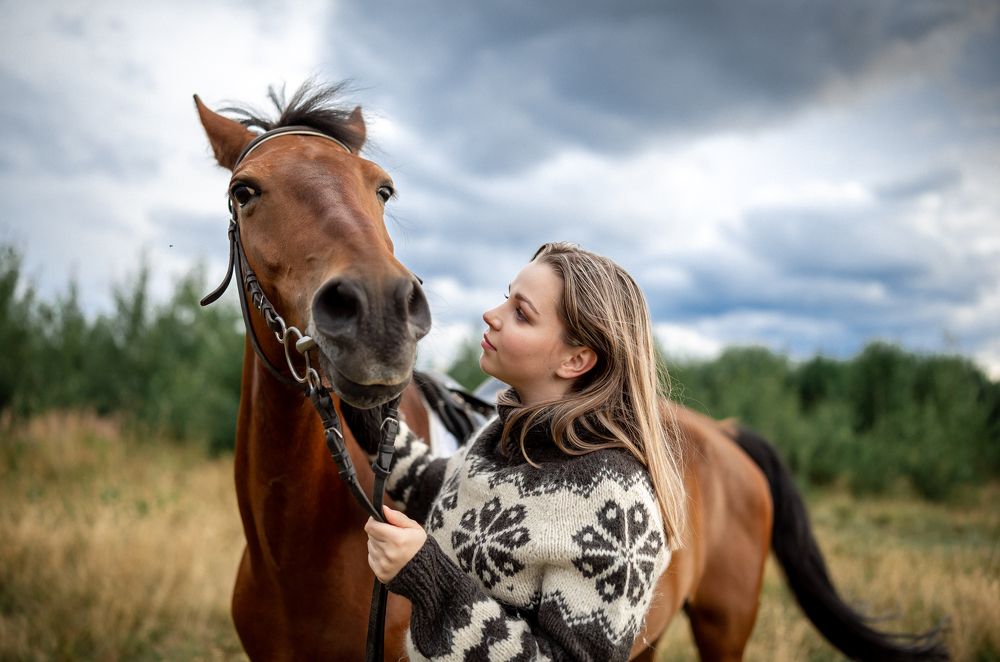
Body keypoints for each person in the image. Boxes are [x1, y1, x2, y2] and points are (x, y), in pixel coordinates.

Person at [365, 242, 687, 660]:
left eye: (521, 313)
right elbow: (431, 485)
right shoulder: (500, 439)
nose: (491, 315)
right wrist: (363, 392)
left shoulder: (617, 503)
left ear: (576, 360)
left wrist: (427, 575)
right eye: (506, 298)